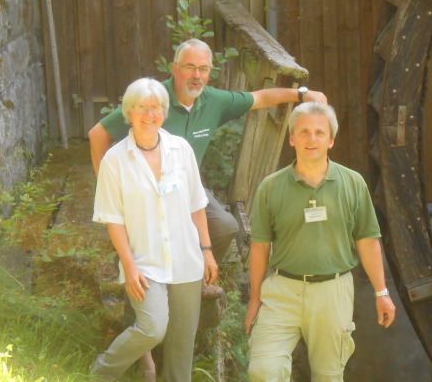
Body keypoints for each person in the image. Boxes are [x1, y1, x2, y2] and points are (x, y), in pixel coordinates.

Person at [89, 38, 327, 377]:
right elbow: (97, 133)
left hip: (186, 192)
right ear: (174, 68)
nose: (196, 75)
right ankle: (136, 351)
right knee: (145, 287)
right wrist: (108, 188)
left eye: (203, 69)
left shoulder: (210, 104)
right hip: (140, 201)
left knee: (227, 226)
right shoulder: (151, 97)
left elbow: (260, 98)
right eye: (189, 67)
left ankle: (198, 278)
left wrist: (303, 95)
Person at [244, 102, 396, 382]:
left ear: (331, 140)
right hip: (282, 292)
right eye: (303, 132)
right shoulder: (271, 186)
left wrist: (381, 292)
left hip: (332, 292)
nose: (311, 139)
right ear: (292, 139)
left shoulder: (353, 183)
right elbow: (260, 246)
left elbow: (367, 240)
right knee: (263, 372)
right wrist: (255, 298)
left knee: (328, 376)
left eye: (319, 132)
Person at [90, 78, 217, 381]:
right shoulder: (115, 160)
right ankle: (100, 373)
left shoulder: (181, 149)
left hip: (187, 259)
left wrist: (207, 251)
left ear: (165, 111)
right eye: (142, 108)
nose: (150, 115)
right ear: (128, 112)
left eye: (156, 108)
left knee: (181, 345)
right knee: (152, 327)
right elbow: (114, 219)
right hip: (144, 263)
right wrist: (129, 266)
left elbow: (196, 204)